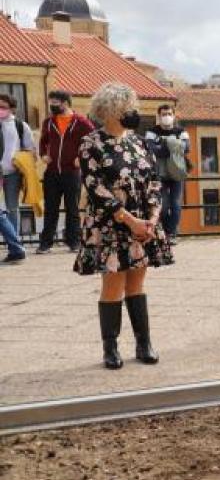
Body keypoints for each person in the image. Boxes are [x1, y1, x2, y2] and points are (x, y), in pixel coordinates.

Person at [74, 83, 174, 369]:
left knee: (136, 284)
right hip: (112, 224)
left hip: (143, 223)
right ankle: (111, 348)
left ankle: (144, 344)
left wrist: (152, 218)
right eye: (126, 108)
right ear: (110, 111)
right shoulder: (91, 143)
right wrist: (130, 221)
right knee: (113, 284)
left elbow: (154, 181)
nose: (132, 113)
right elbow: (95, 187)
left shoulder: (140, 142)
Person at [37, 90, 95, 254]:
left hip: (72, 173)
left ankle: (74, 242)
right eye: (51, 102)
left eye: (55, 103)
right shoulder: (49, 122)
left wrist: (81, 157)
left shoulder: (81, 122)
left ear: (65, 103)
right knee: (50, 209)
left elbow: (93, 140)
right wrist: (43, 154)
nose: (52, 106)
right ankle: (45, 244)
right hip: (52, 172)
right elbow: (43, 141)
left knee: (72, 209)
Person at [144, 103, 191, 243]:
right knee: (163, 206)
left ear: (174, 115)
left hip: (177, 173)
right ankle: (166, 232)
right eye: (164, 114)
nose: (167, 116)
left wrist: (164, 144)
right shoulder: (152, 131)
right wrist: (174, 145)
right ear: (159, 116)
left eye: (169, 114)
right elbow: (151, 149)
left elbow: (187, 148)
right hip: (160, 174)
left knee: (176, 205)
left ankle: (171, 234)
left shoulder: (181, 131)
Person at [0, 93, 35, 219]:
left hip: (13, 173)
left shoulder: (20, 125)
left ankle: (13, 232)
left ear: (12, 108)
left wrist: (22, 163)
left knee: (12, 209)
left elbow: (30, 149)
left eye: (3, 107)